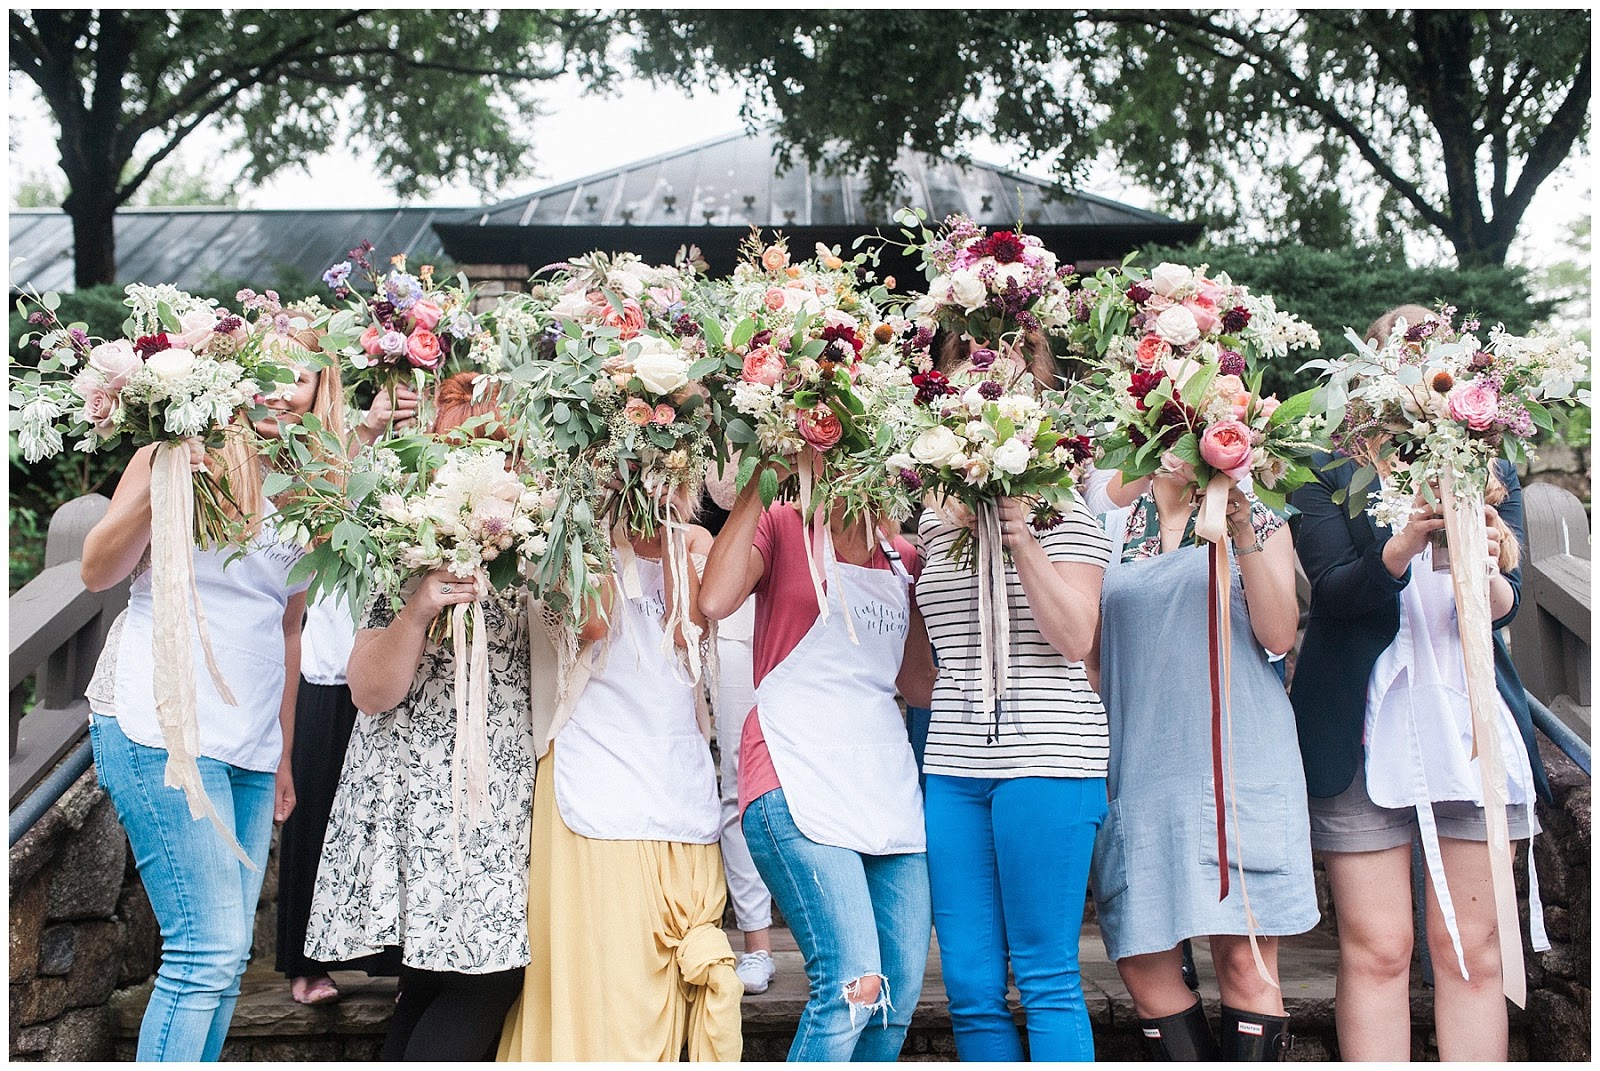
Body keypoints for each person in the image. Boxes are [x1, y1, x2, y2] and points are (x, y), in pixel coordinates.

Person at [1288, 305, 1551, 1062]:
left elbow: (1507, 604)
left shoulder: (1490, 461)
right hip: (1360, 724)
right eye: (1409, 355)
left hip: (1467, 717)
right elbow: (1335, 594)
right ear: (1374, 373)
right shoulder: (1325, 469)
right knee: (1379, 949)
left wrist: (1488, 556)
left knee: (1471, 947)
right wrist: (1404, 541)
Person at [80, 345, 341, 1060]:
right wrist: (163, 482)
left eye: (300, 377)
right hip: (162, 719)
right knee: (206, 950)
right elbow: (97, 570)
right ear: (233, 380)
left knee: (224, 966)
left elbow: (289, 628)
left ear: (320, 389)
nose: (282, 393)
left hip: (251, 737)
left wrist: (282, 753)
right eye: (268, 374)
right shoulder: (168, 453)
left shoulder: (314, 488)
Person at [303, 373, 536, 1061]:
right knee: (473, 976)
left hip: (502, 791)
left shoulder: (539, 548)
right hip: (421, 793)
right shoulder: (404, 548)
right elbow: (369, 691)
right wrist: (418, 608)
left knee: (456, 976)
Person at [915, 330, 1113, 1062]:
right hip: (952, 765)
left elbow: (1075, 637)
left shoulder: (1066, 512)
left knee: (1045, 974)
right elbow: (921, 665)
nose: (985, 372)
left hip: (1049, 763)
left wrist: (1021, 534)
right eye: (965, 360)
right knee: (968, 984)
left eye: (1003, 360)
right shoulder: (931, 521)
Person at [699, 462, 935, 1062]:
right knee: (853, 985)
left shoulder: (905, 558)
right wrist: (760, 481)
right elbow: (715, 600)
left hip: (884, 784)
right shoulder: (782, 524)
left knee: (896, 1000)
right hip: (791, 769)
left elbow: (917, 685)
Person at [499, 495, 742, 1061]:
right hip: (596, 782)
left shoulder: (694, 542)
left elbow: (688, 633)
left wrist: (669, 529)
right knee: (612, 995)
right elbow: (593, 620)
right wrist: (599, 512)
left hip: (676, 784)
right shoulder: (566, 536)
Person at [1090, 460, 1317, 1061]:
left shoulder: (1259, 516)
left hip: (1239, 758)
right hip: (1138, 761)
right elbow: (1087, 651)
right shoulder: (1109, 518)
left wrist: (1240, 526)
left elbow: (1279, 635)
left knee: (1244, 962)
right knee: (1144, 963)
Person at [276, 384, 418, 1005]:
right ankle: (304, 959)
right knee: (315, 807)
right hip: (333, 658)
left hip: (399, 656)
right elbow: (312, 513)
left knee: (396, 813)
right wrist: (366, 431)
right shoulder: (314, 448)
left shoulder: (429, 445)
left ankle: (402, 958)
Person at [702, 466, 780, 997]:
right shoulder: (707, 434)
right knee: (737, 776)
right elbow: (720, 493)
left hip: (805, 600)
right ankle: (757, 941)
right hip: (734, 614)